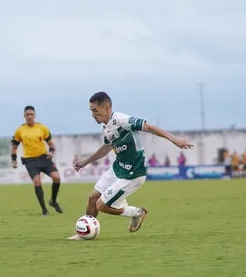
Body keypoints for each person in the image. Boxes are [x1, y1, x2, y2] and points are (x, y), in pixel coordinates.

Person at [67, 92, 193, 240]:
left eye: (95, 110)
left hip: (133, 174)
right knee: (92, 198)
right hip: (118, 168)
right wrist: (85, 162)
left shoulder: (121, 120)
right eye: (91, 111)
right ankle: (84, 233)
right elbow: (105, 149)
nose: (93, 115)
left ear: (107, 108)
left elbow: (149, 127)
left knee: (101, 205)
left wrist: (175, 140)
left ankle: (137, 212)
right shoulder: (106, 127)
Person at [11, 105, 63, 216]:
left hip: (44, 158)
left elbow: (51, 144)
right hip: (30, 160)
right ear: (24, 116)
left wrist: (51, 152)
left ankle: (53, 201)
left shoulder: (42, 128)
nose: (29, 116)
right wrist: (14, 160)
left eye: (31, 114)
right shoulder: (20, 130)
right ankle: (44, 210)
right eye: (27, 115)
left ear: (35, 115)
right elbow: (14, 147)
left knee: (57, 177)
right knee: (37, 182)